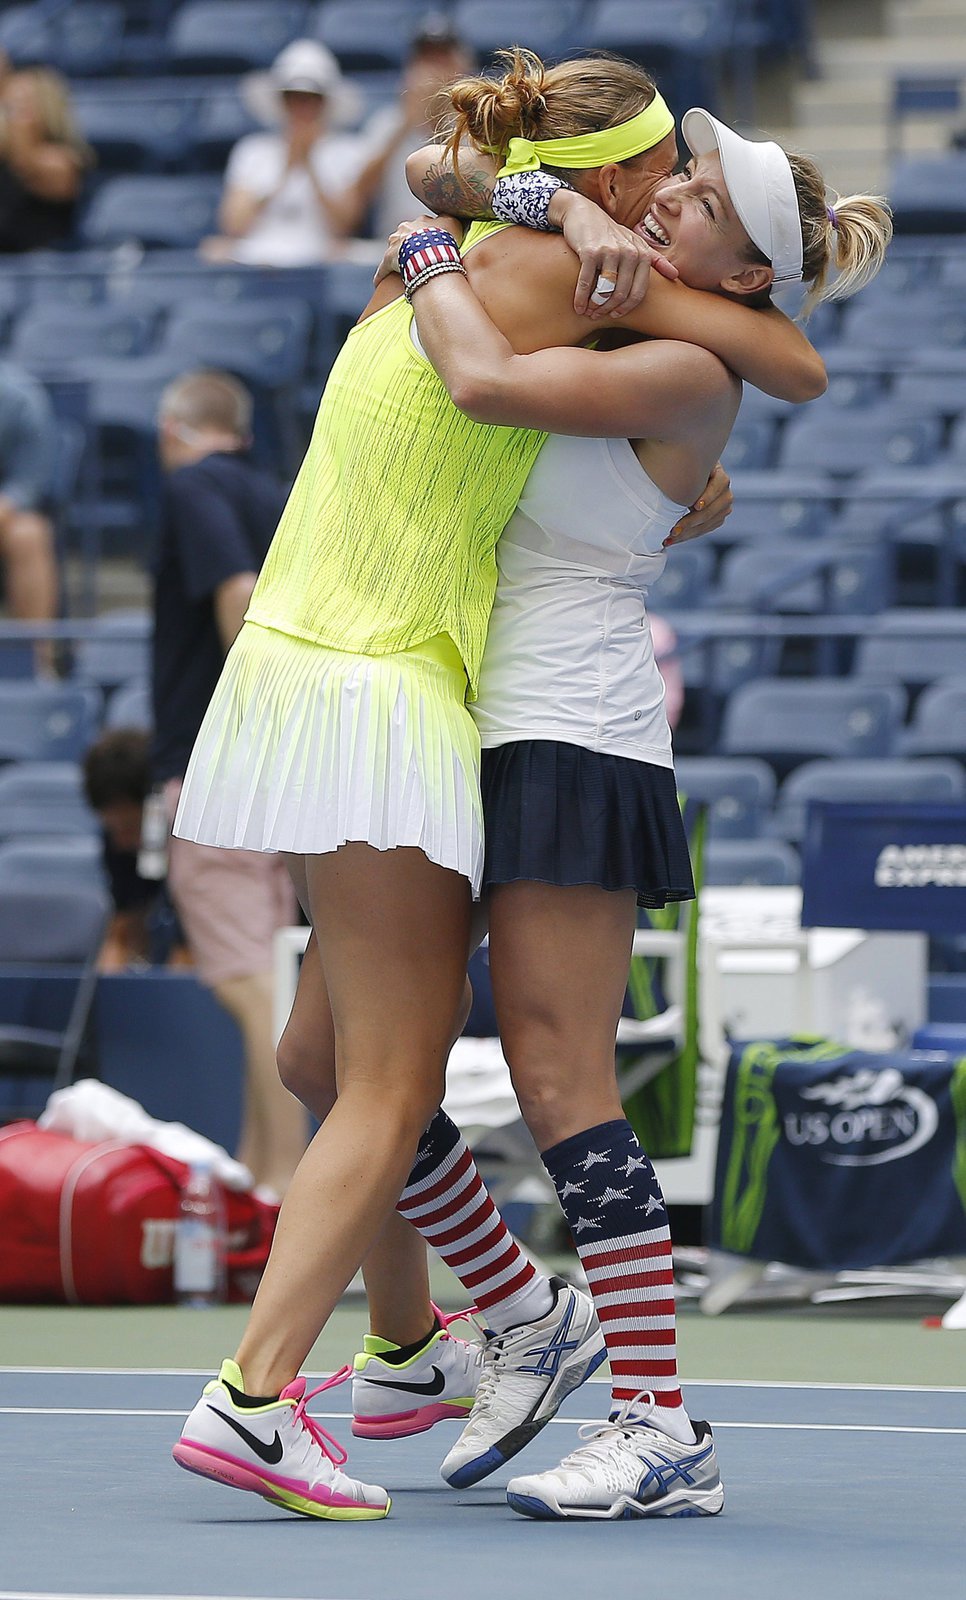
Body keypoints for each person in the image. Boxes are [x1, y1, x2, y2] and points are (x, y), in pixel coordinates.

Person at [171, 51, 828, 1524]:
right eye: (671, 179)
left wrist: (436, 246)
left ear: (745, 263)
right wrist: (483, 211)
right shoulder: (581, 289)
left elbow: (772, 368)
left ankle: (653, 1415)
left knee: (551, 1079)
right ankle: (469, 1327)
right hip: (455, 701)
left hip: (567, 728)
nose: (670, 203)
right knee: (329, 1063)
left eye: (702, 199)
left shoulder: (668, 341)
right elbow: (444, 183)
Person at [153, 370, 308, 1197]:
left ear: (173, 427)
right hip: (281, 773)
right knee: (266, 973)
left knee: (248, 984)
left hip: (222, 767)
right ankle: (259, 1171)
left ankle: (281, 1182)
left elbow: (240, 593)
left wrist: (252, 718)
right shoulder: (279, 493)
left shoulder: (195, 487)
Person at [201, 40, 367, 266]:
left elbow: (344, 225)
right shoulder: (252, 150)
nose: (301, 108)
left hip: (319, 259)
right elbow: (233, 224)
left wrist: (309, 164)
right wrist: (283, 171)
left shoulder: (347, 151)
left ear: (325, 103)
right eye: (292, 98)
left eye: (311, 99)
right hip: (257, 257)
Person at [347, 14, 474, 242]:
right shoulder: (387, 123)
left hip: (460, 242)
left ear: (460, 67)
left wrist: (448, 110)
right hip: (393, 242)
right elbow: (357, 201)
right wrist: (407, 121)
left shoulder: (474, 126)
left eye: (442, 60)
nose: (433, 71)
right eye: (426, 60)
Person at [82, 728, 188, 973]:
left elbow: (187, 954)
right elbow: (123, 930)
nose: (122, 841)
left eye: (130, 827)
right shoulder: (117, 843)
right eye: (113, 829)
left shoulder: (193, 843)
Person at [0, 360, 58, 674]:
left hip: (6, 518)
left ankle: (39, 666)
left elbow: (28, 484)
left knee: (29, 535)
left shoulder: (19, 398)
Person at [0, 67, 92, 253]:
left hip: (43, 268)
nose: (9, 116)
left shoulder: (63, 161)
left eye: (19, 107)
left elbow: (24, 163)